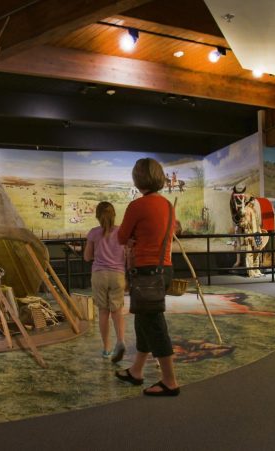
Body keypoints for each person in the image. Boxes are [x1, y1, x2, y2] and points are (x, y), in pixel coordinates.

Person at [114, 158, 180, 396]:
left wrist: (133, 238)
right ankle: (137, 370)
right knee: (143, 321)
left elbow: (121, 237)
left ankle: (170, 381)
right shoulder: (168, 206)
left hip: (146, 272)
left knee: (153, 323)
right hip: (164, 269)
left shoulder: (137, 206)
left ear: (138, 178)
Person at [84, 201, 126, 362]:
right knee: (117, 311)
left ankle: (106, 348)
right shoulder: (122, 231)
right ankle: (121, 341)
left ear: (97, 216)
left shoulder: (93, 233)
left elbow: (87, 257)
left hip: (99, 275)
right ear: (114, 215)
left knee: (103, 311)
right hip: (118, 275)